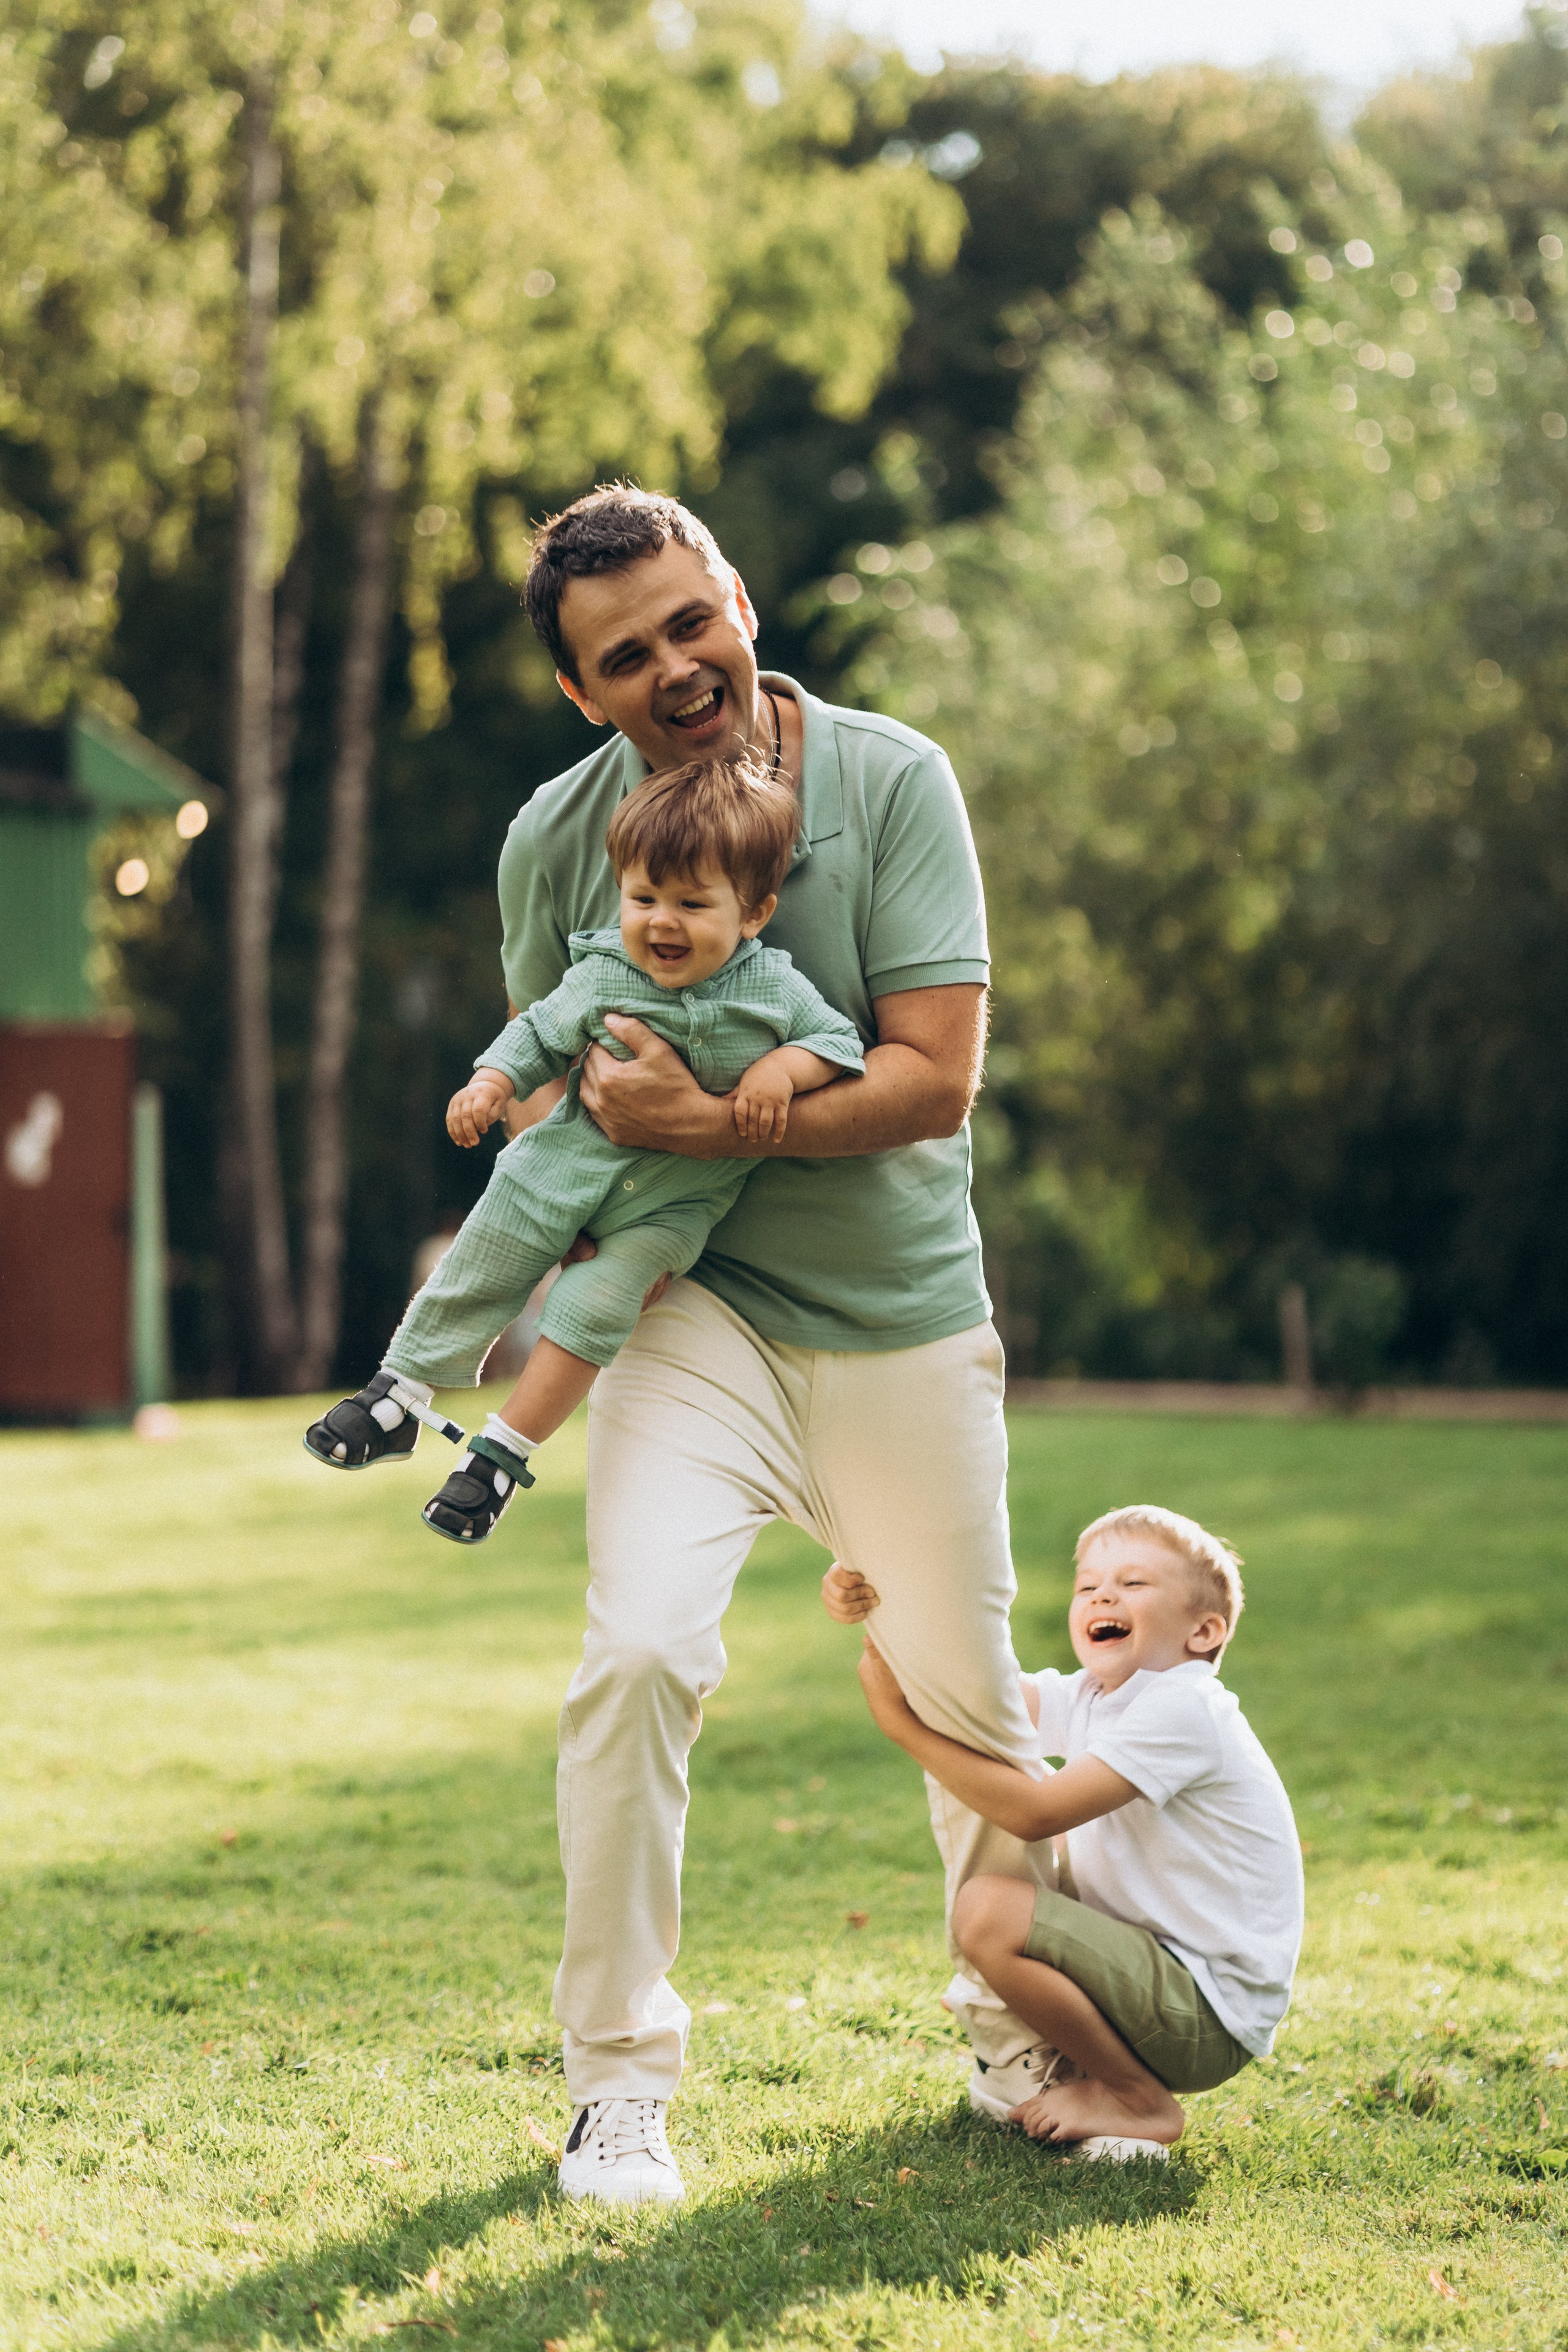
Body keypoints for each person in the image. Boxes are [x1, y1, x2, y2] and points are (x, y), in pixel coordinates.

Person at [470, 482, 1054, 2209]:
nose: (675, 667)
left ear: (738, 591)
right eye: (623, 656)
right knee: (640, 1654)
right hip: (691, 1316)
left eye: (688, 620)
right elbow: (570, 1092)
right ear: (584, 694)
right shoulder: (552, 843)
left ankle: (1016, 2036)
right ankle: (616, 2089)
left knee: (971, 1696)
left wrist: (719, 1126)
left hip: (898, 1315)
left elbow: (933, 1077)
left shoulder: (892, 778)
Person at [303, 753, 862, 1542]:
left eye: (692, 903)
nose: (661, 922)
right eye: (643, 897)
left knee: (589, 1308)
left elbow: (841, 1043)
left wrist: (782, 1067)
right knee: (492, 1249)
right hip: (563, 1164)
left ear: (754, 913)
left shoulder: (776, 990)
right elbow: (535, 1031)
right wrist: (492, 1083)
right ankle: (400, 1394)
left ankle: (499, 1458)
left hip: (669, 1211)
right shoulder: (601, 972)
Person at [824, 1504, 1304, 2160]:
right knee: (1010, 1891)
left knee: (990, 1912)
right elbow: (967, 1697)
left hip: (1204, 2015)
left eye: (1134, 1584)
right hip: (1157, 1986)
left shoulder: (1185, 1707)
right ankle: (1103, 2075)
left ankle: (1136, 2100)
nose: (1104, 1595)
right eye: (1089, 1586)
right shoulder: (1093, 1695)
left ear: (1203, 1631)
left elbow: (1034, 1812)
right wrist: (877, 1598)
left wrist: (901, 1729)